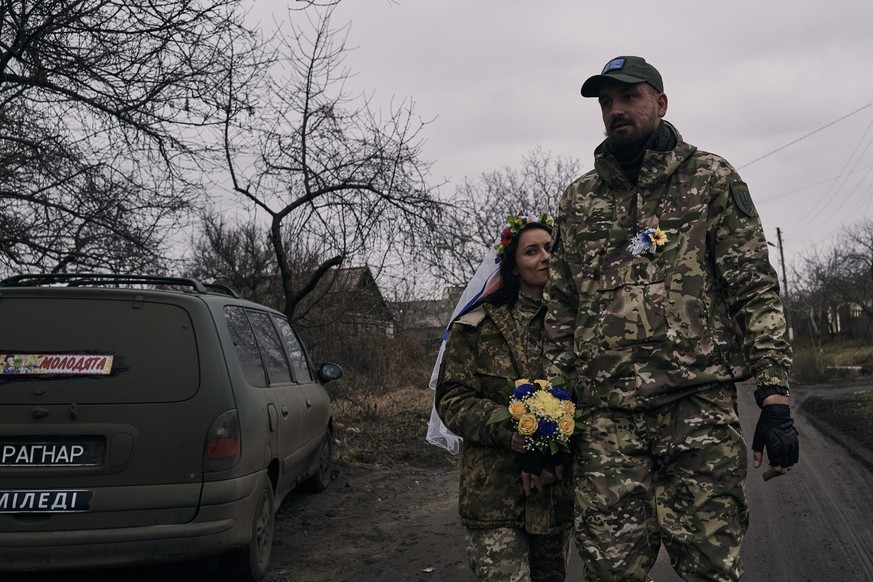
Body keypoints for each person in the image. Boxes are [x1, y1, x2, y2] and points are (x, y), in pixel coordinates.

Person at [544, 56, 799, 581]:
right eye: (605, 102)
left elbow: (752, 287)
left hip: (696, 412)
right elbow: (561, 311)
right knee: (608, 572)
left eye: (629, 97)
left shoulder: (710, 179)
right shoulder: (579, 200)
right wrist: (552, 418)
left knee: (711, 569)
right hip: (606, 424)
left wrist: (774, 396)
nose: (616, 110)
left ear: (660, 103)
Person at [435, 212, 573, 582]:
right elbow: (452, 399)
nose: (544, 257)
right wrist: (513, 428)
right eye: (531, 251)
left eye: (550, 248)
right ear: (512, 266)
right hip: (493, 495)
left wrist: (556, 443)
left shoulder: (575, 324)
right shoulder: (476, 326)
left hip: (553, 492)